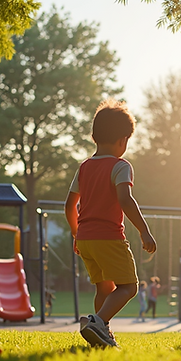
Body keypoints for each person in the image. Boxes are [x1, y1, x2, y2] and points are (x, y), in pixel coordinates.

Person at [65, 99, 157, 348]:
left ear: (95, 136)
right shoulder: (120, 166)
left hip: (85, 238)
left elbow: (69, 206)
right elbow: (126, 200)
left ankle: (101, 333)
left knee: (103, 288)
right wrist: (144, 231)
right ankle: (98, 322)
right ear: (123, 140)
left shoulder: (84, 168)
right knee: (129, 287)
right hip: (108, 236)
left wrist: (76, 234)